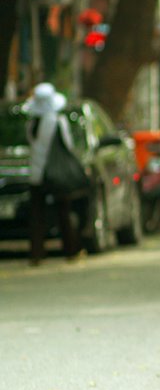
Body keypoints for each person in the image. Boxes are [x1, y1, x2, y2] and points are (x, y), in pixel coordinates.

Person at [25, 82, 85, 264]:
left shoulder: (31, 124)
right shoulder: (58, 121)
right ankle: (70, 251)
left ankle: (36, 253)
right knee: (63, 213)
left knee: (37, 215)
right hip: (56, 174)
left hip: (36, 173)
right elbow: (68, 146)